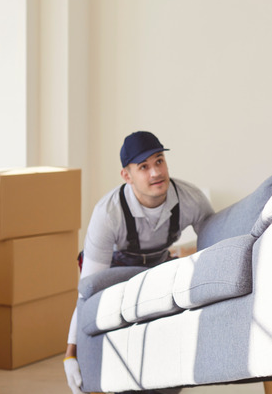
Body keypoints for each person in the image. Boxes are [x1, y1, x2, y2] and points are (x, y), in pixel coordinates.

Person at [63, 131, 214, 394]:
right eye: (143, 167)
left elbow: (214, 249)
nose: (155, 172)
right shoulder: (108, 214)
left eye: (159, 161)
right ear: (127, 176)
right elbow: (87, 291)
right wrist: (71, 352)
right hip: (112, 272)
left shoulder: (191, 200)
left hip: (157, 265)